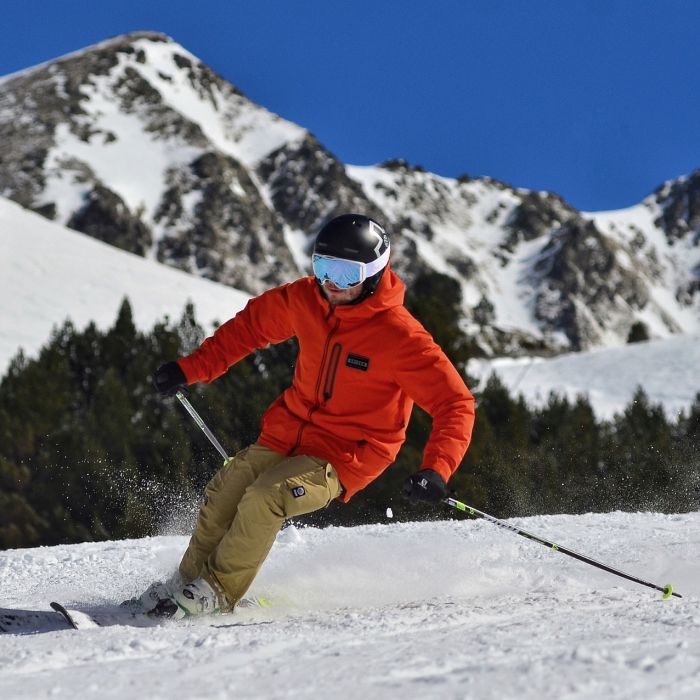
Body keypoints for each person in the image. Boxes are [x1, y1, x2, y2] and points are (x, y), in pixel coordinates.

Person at [147, 213, 475, 618]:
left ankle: (216, 591)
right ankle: (186, 582)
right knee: (225, 491)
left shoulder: (399, 336)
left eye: (344, 273)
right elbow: (249, 328)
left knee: (267, 496)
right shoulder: (306, 299)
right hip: (288, 432)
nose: (332, 284)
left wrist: (438, 469)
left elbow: (455, 403)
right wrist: (190, 369)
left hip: (346, 454)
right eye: (323, 268)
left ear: (373, 274)